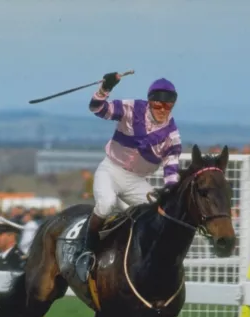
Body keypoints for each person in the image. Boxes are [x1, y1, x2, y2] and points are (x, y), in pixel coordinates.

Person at [75, 72, 183, 282]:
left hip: (137, 181)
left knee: (161, 216)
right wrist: (105, 88)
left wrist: (170, 197)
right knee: (106, 204)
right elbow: (97, 108)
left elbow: (171, 172)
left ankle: (148, 260)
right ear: (150, 101)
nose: (162, 110)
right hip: (111, 170)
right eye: (158, 104)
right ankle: (85, 250)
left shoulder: (173, 136)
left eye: (167, 106)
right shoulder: (131, 108)